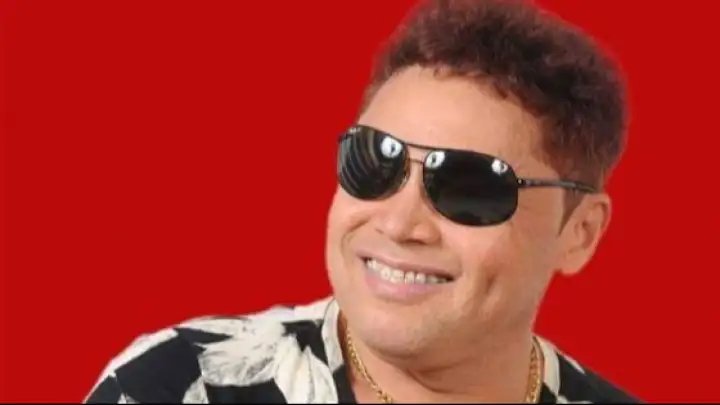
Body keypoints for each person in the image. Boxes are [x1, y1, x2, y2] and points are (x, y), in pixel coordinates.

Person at [85, 0, 638, 403]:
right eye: (376, 161)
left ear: (581, 233)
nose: (399, 222)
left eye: (470, 187)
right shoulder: (182, 387)